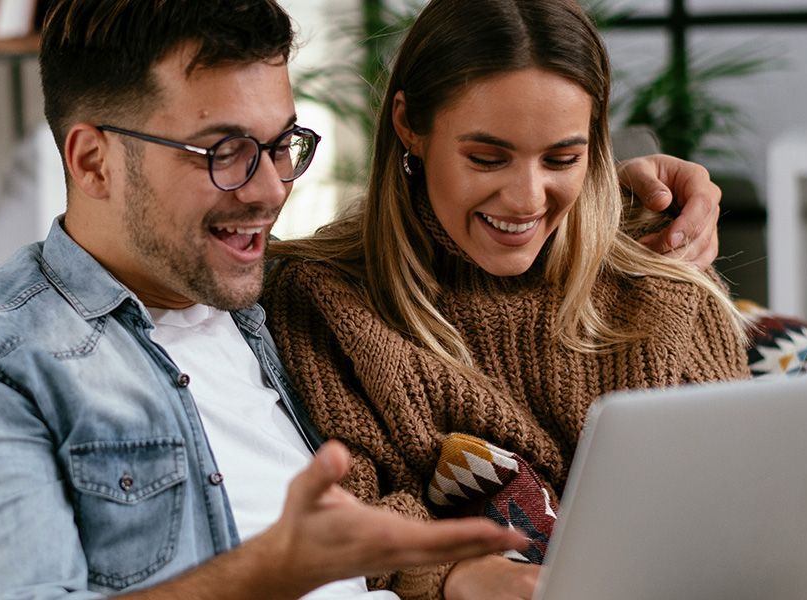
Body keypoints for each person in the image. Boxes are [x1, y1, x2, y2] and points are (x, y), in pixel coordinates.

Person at [0, 1, 725, 599]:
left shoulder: (280, 294)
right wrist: (272, 572)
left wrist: (611, 192)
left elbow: (456, 260)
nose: (272, 188)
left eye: (283, 144)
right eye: (225, 153)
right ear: (92, 160)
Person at [261, 1, 751, 599]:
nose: (525, 199)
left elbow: (739, 505)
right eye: (487, 158)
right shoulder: (324, 300)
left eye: (562, 159)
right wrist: (452, 577)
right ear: (409, 124)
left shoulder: (662, 286)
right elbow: (349, 516)